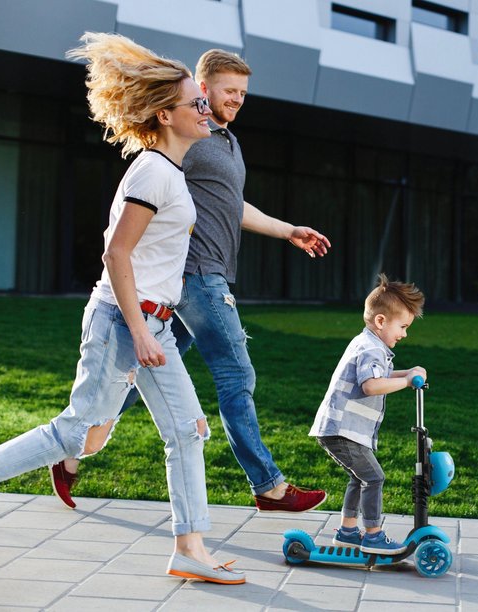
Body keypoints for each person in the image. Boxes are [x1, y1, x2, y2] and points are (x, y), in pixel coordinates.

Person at [0, 32, 245, 585]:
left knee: (185, 430)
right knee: (79, 434)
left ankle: (189, 548)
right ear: (167, 116)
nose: (206, 109)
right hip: (127, 321)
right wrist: (142, 332)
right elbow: (115, 251)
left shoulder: (172, 172)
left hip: (154, 323)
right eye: (196, 102)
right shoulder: (152, 172)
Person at [50, 49, 330, 514]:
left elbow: (230, 205)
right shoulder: (192, 136)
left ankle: (70, 449)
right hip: (197, 274)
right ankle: (269, 486)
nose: (237, 100)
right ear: (203, 90)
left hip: (197, 277)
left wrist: (288, 230)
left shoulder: (225, 142)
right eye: (228, 91)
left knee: (141, 373)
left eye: (243, 93)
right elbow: (158, 188)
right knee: (236, 372)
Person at [309, 273, 426, 554]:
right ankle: (373, 534)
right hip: (341, 429)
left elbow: (382, 376)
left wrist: (407, 373)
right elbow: (372, 385)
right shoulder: (371, 348)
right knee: (374, 478)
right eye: (403, 326)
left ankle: (348, 531)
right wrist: (407, 381)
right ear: (381, 321)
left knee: (358, 477)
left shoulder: (371, 345)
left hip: (342, 428)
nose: (405, 333)